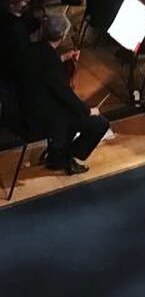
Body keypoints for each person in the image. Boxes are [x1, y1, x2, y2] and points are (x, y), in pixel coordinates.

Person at [16, 12, 111, 175]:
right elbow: (64, 94)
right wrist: (88, 110)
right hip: (41, 117)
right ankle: (62, 156)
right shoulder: (49, 59)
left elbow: (43, 69)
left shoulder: (31, 50)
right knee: (99, 124)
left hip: (26, 106)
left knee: (72, 114)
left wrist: (62, 59)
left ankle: (58, 151)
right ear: (63, 35)